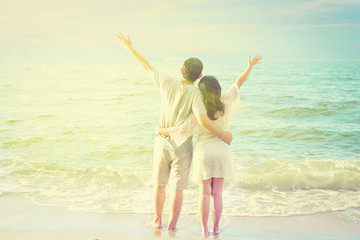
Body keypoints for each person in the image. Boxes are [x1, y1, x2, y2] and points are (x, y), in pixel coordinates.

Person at [116, 33, 233, 232]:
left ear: (181, 70)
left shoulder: (167, 82)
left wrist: (129, 47)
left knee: (159, 184)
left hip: (162, 141)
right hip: (182, 146)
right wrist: (223, 135)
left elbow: (146, 65)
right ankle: (172, 225)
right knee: (177, 188)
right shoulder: (196, 93)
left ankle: (157, 221)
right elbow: (203, 121)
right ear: (198, 76)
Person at [156, 54, 262, 237]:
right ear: (218, 89)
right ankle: (216, 228)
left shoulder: (199, 112)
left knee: (204, 193)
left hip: (204, 152)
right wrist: (250, 67)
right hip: (221, 151)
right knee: (217, 193)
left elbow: (180, 130)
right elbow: (239, 82)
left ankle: (204, 230)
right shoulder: (226, 102)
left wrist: (160, 131)